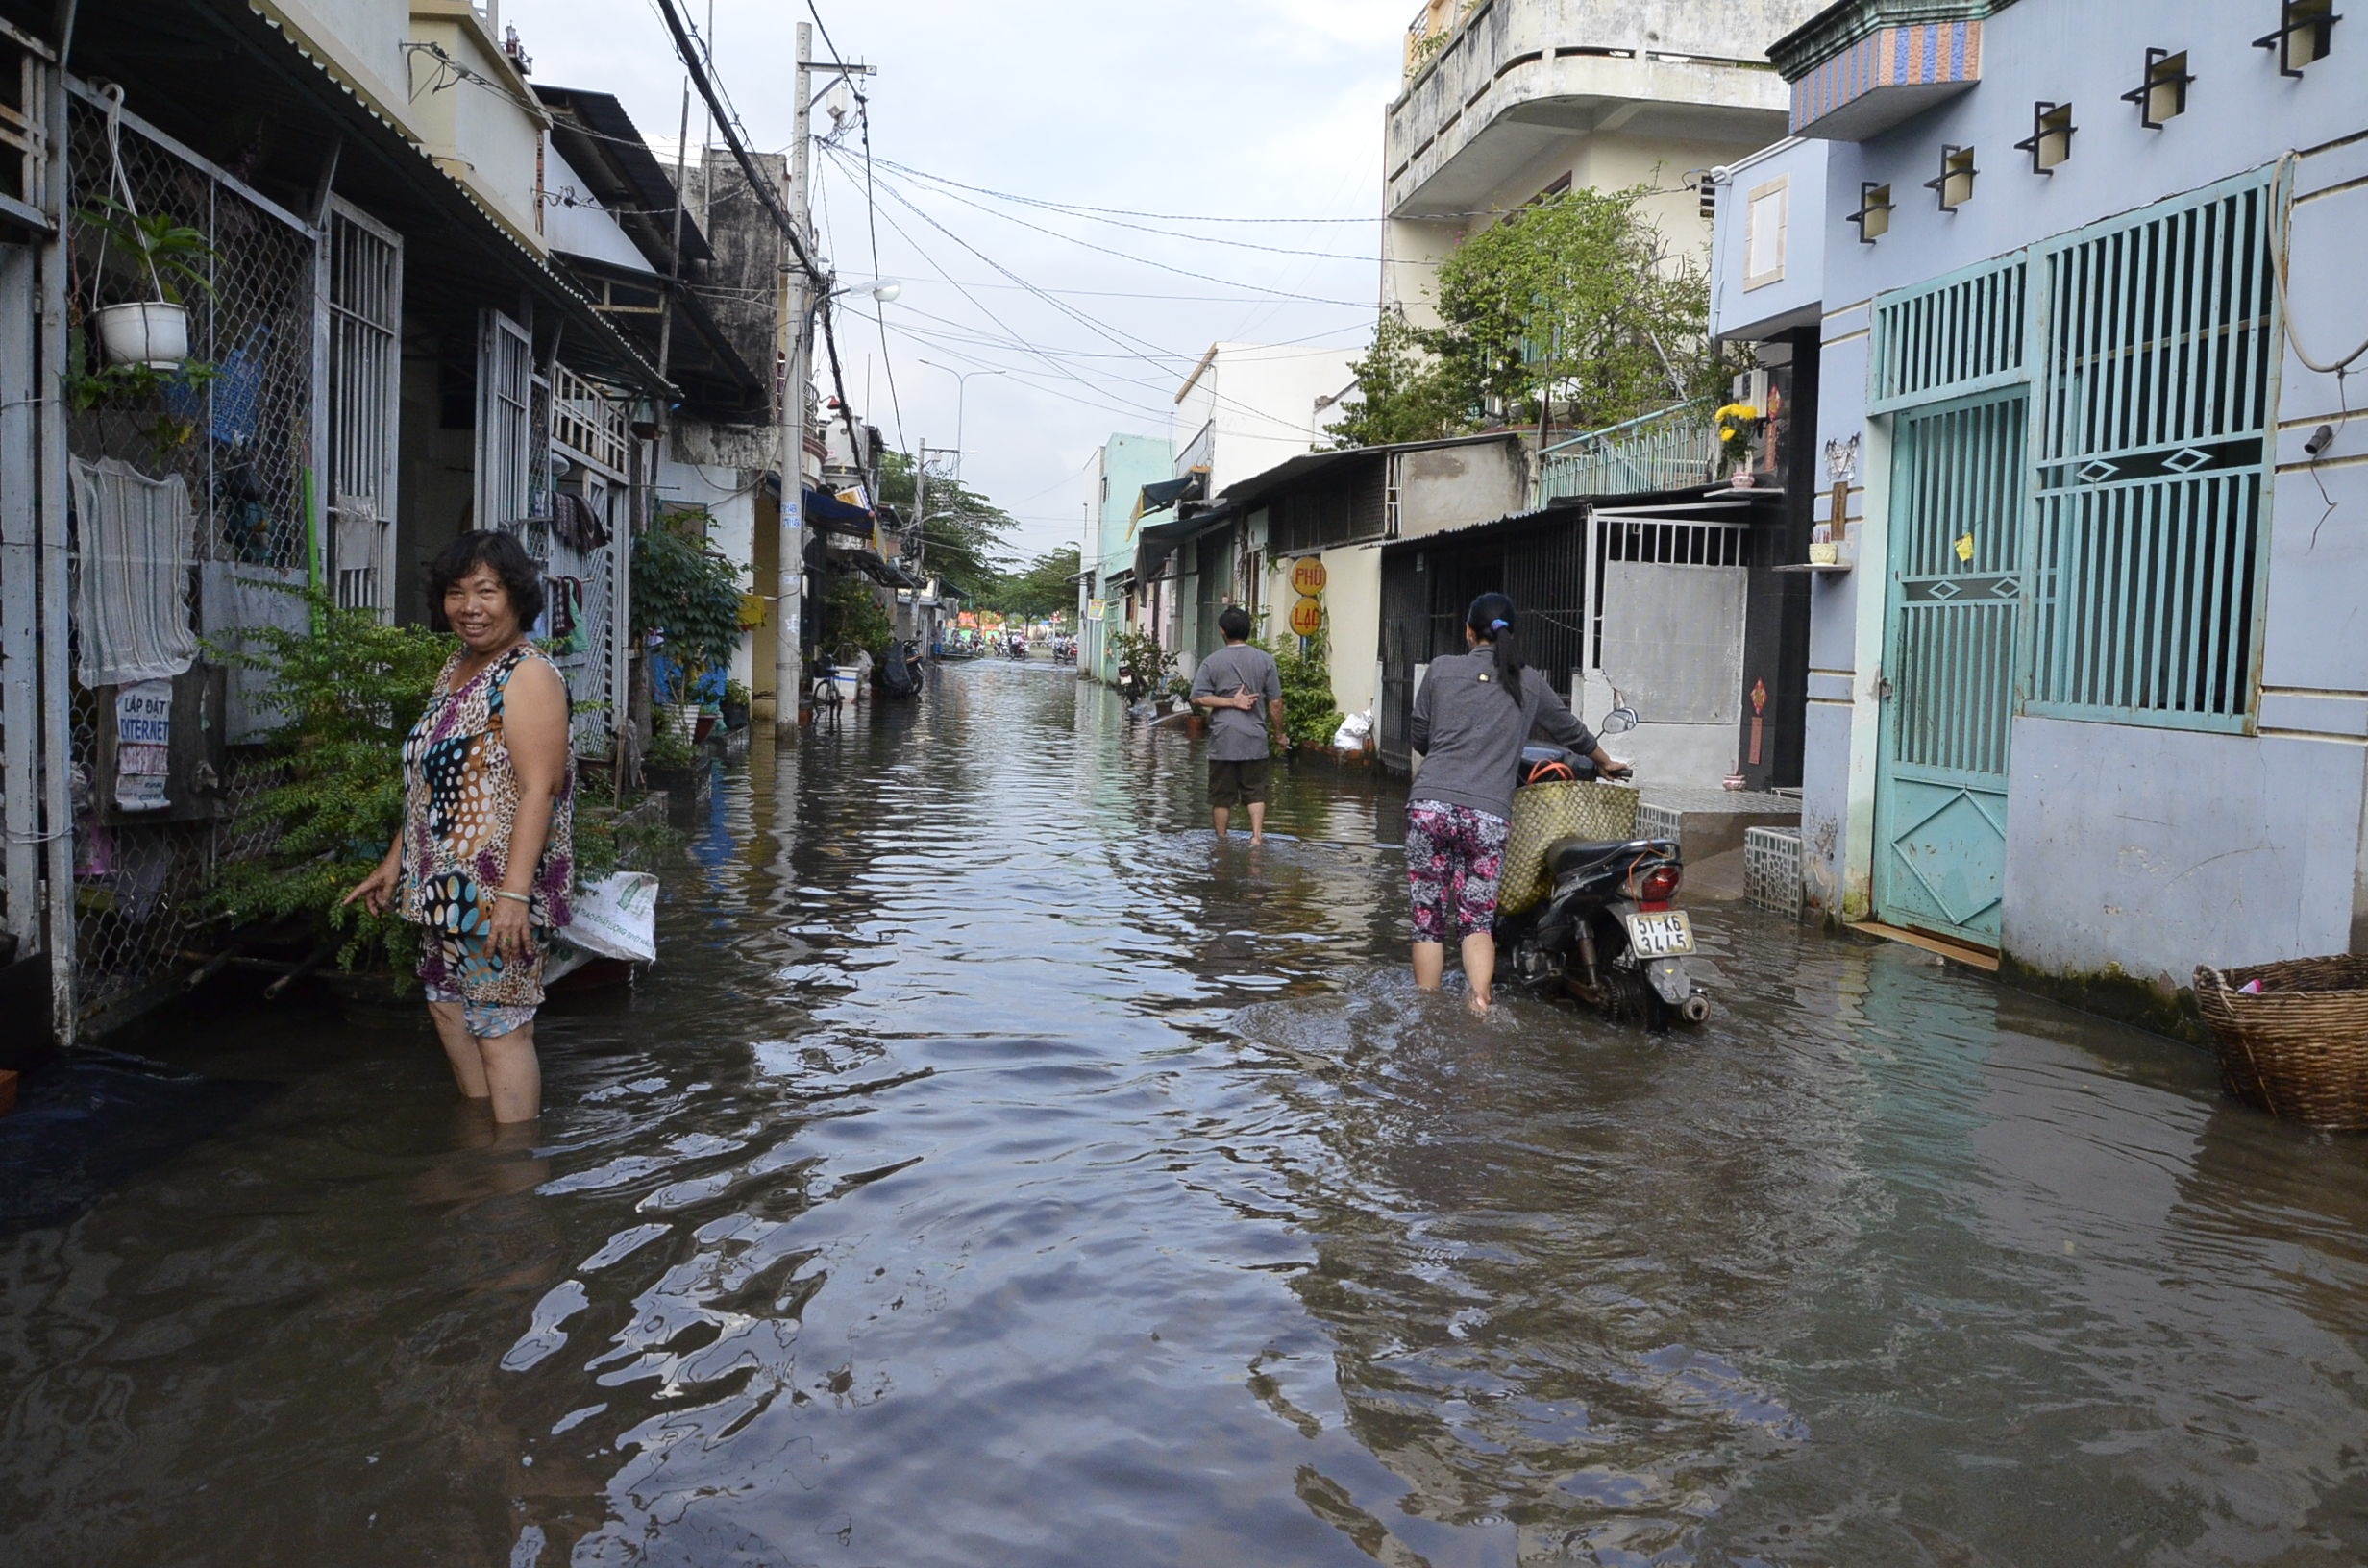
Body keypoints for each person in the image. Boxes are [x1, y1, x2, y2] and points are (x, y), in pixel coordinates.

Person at [344, 529, 576, 1121]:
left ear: (517, 598)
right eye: (455, 592)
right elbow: (429, 781)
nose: (469, 606)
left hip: (496, 892)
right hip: (441, 893)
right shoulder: (458, 667)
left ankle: (514, 1179)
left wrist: (515, 896)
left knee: (501, 1028)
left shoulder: (527, 675)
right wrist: (396, 862)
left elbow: (538, 790)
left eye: (486, 591)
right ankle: (481, 1151)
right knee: (449, 1011)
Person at [1407, 591, 1630, 1016]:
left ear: (1468, 632)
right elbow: (1570, 730)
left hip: (1429, 808)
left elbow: (1420, 738)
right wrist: (1604, 763)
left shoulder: (1440, 671)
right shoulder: (1529, 680)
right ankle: (1480, 1004)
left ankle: (1427, 1017)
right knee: (1475, 920)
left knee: (1428, 920)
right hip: (1488, 815)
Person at [1190, 605, 1286, 845]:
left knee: (1221, 797)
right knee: (1256, 791)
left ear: (1223, 631)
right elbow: (1276, 703)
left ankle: (1221, 841)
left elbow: (1198, 697)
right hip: (1255, 738)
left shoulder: (1212, 662)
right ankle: (1256, 837)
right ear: (1249, 631)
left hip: (1223, 740)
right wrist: (1279, 734)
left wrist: (1229, 702)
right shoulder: (1266, 660)